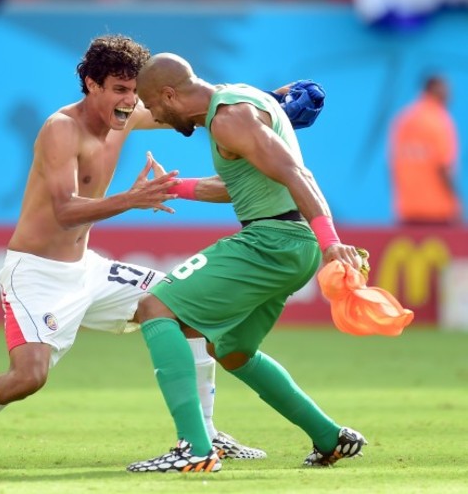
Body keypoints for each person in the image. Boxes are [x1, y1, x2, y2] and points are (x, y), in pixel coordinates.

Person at [0, 35, 323, 467]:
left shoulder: (126, 116)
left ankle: (204, 437)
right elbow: (65, 211)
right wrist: (134, 199)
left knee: (182, 308)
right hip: (37, 272)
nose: (131, 101)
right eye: (120, 90)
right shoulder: (61, 129)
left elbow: (188, 102)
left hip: (88, 270)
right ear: (91, 85)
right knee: (28, 377)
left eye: (134, 91)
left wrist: (273, 100)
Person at [126, 52, 367, 473]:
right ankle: (330, 437)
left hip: (272, 240)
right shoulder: (241, 102)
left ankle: (195, 450)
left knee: (155, 307)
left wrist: (333, 243)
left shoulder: (229, 118)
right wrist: (174, 188)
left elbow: (297, 174)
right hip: (292, 245)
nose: (157, 117)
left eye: (155, 107)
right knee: (232, 350)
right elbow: (238, 182)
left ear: (169, 93)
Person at [389, 74, 462, 225]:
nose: (449, 94)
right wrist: (457, 203)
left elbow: (393, 166)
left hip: (407, 210)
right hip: (437, 212)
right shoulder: (438, 120)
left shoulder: (404, 119)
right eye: (445, 88)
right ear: (434, 89)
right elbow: (444, 168)